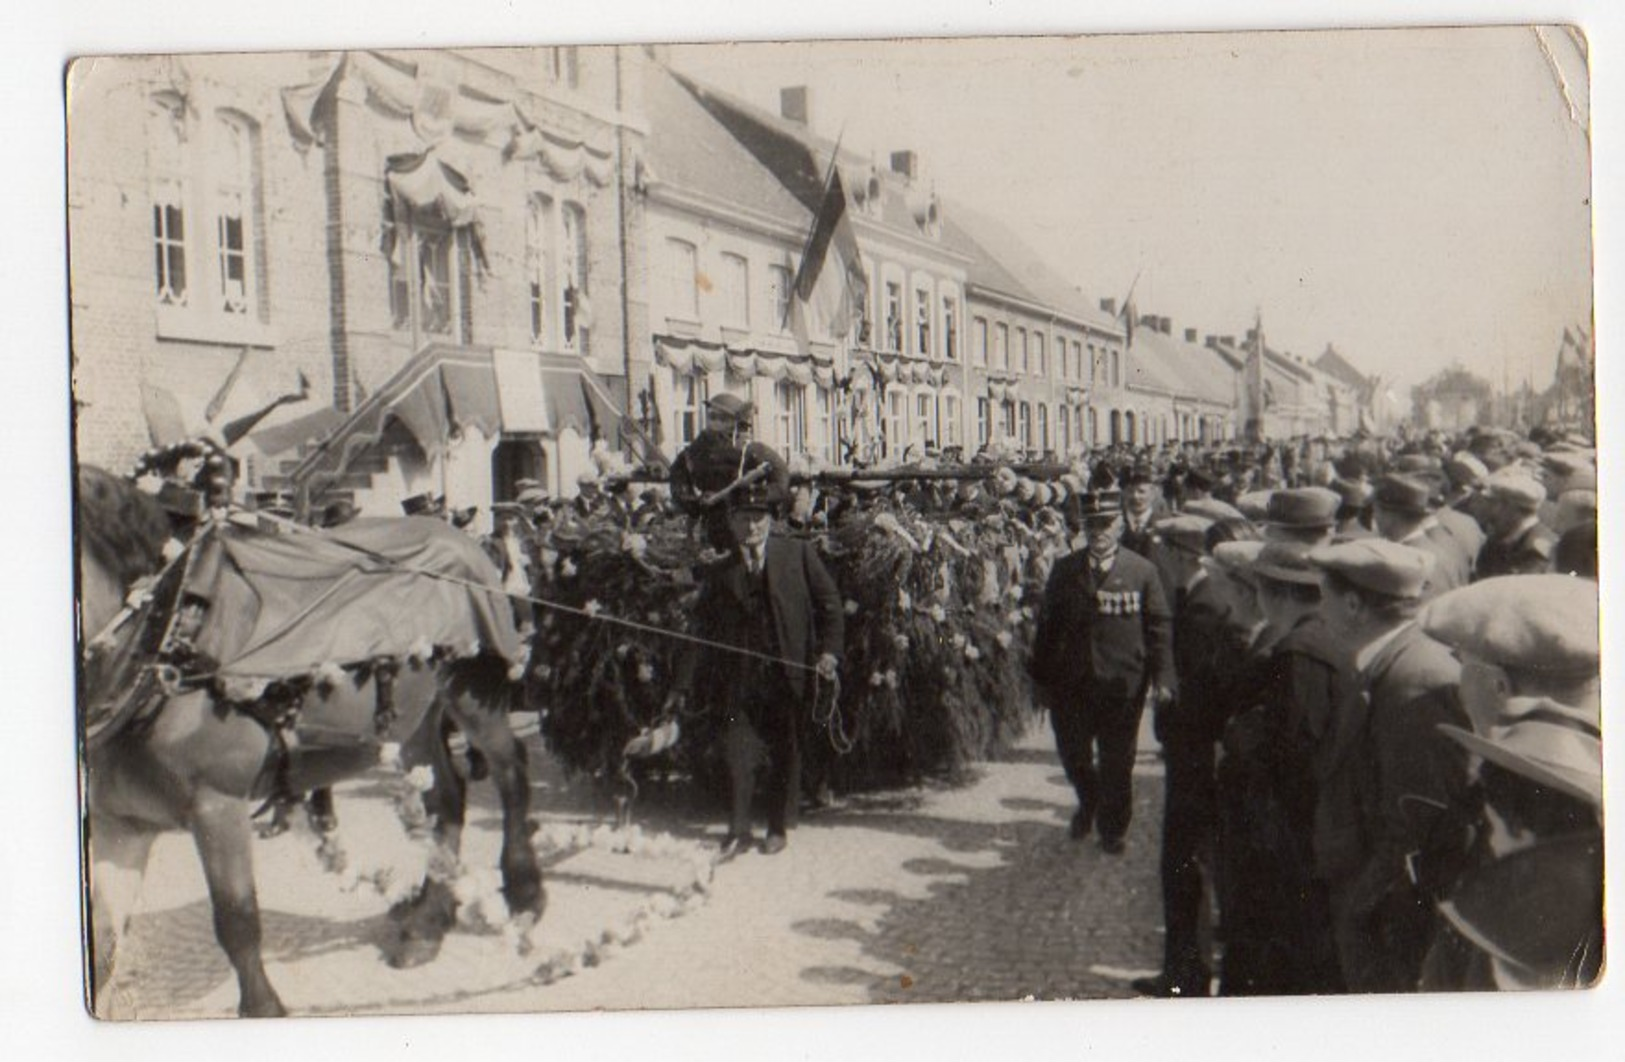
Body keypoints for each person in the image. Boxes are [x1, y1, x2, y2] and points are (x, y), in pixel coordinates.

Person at [1307, 539, 1471, 993]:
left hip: (1389, 917)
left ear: (1355, 605)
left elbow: (1416, 824)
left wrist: (1361, 907)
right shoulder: (1393, 662)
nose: (1320, 610)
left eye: (1325, 597)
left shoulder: (1413, 683)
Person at [667, 481, 842, 858]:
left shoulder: (797, 555)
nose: (752, 528)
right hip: (739, 681)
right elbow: (700, 632)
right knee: (736, 753)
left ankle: (777, 827)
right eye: (745, 520)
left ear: (770, 521)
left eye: (759, 520)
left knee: (784, 751)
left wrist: (829, 652)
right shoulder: (721, 571)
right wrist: (680, 686)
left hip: (785, 676)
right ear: (732, 523)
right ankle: (738, 830)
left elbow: (830, 605)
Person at [1212, 543, 1347, 996]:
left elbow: (1294, 755)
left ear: (1277, 594)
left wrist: (1241, 739)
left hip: (1286, 840)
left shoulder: (1297, 652)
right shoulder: (1318, 636)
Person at [1030, 489, 1175, 855]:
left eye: (1106, 524)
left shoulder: (1142, 571)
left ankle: (1113, 828)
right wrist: (1040, 680)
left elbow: (1158, 628)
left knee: (1117, 760)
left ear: (1120, 524)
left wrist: (1164, 679)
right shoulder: (1065, 570)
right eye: (1093, 524)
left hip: (1121, 685)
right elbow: (1047, 628)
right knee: (1073, 755)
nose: (1099, 532)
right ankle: (1090, 798)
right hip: (1071, 684)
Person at [668, 393, 791, 551]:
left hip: (748, 520)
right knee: (717, 565)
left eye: (723, 418)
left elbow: (781, 480)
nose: (715, 423)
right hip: (713, 521)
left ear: (735, 422)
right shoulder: (694, 452)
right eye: (712, 417)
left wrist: (751, 496)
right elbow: (678, 480)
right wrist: (694, 502)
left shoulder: (753, 450)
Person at [1371, 474, 1470, 597]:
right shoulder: (1438, 552)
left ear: (1390, 516)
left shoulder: (1403, 562)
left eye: (1376, 511)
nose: (1374, 517)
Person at [1475, 469, 1559, 578]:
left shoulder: (1535, 551)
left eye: (1494, 504)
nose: (1489, 511)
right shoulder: (1499, 538)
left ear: (1510, 507)